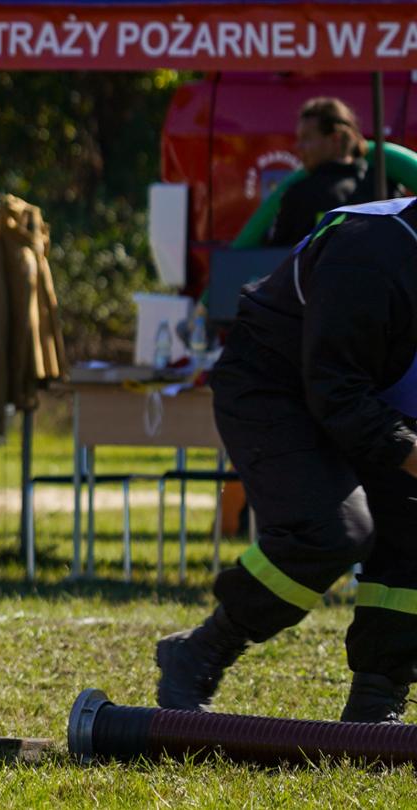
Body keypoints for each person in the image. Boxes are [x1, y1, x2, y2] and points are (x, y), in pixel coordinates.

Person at [157, 196, 417, 724]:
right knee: (334, 532)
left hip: (367, 398)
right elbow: (335, 393)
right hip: (275, 386)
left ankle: (376, 697)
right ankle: (204, 649)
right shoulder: (371, 254)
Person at [265, 97, 372, 247]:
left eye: (306, 138)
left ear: (336, 138)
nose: (299, 146)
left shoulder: (299, 194)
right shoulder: (382, 185)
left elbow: (278, 259)